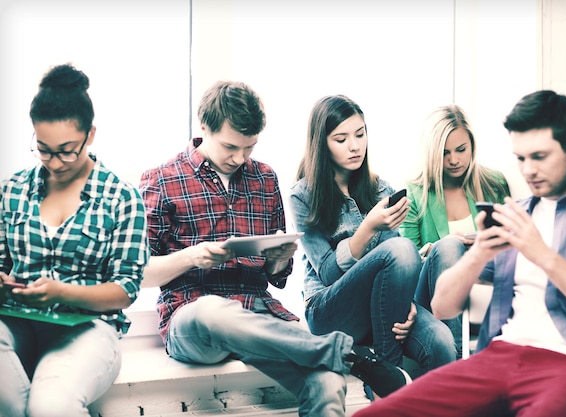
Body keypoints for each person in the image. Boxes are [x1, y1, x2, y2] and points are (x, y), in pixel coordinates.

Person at [138, 81, 413, 417]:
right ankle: (350, 355)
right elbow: (137, 273)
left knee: (327, 382)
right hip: (192, 316)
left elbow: (277, 278)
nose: (240, 158)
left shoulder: (264, 178)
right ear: (204, 127)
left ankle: (339, 360)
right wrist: (192, 256)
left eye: (249, 147)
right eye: (230, 147)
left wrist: (278, 259)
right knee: (211, 310)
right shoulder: (162, 179)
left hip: (258, 315)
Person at [353, 90, 566, 417]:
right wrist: (479, 252)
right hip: (497, 358)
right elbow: (441, 307)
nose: (528, 171)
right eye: (521, 159)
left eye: (539, 157)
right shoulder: (516, 213)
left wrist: (542, 254)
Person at [0, 64, 149, 417]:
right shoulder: (13, 189)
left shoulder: (121, 197)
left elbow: (126, 289)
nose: (55, 162)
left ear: (91, 135)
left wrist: (61, 292)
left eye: (67, 149)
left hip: (88, 329)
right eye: (43, 149)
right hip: (18, 322)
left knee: (51, 406)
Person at [289, 95, 456, 399]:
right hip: (329, 310)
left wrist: (405, 307)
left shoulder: (380, 189)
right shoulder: (303, 196)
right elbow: (327, 272)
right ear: (322, 143)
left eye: (360, 134)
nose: (355, 145)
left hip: (382, 308)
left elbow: (399, 265)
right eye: (341, 138)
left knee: (442, 342)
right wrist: (368, 228)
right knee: (401, 249)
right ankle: (385, 381)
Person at [399, 104, 510, 357]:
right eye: (444, 152)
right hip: (433, 295)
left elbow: (511, 245)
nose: (454, 160)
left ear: (472, 145)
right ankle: (460, 361)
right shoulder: (414, 193)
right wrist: (444, 246)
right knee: (449, 247)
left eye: (461, 150)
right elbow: (406, 261)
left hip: (484, 283)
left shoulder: (494, 184)